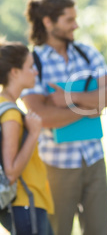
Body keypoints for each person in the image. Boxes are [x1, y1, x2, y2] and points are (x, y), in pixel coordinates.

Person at [21, 0, 107, 235]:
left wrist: (69, 99)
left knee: (100, 231)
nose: (76, 25)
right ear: (48, 22)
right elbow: (42, 117)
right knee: (56, 231)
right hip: (56, 165)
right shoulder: (33, 62)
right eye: (69, 20)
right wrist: (90, 109)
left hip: (94, 159)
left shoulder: (87, 53)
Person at [0, 40, 54, 234]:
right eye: (30, 67)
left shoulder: (5, 105)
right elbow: (11, 172)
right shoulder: (11, 115)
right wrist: (33, 133)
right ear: (14, 72)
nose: (36, 72)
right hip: (25, 201)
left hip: (26, 202)